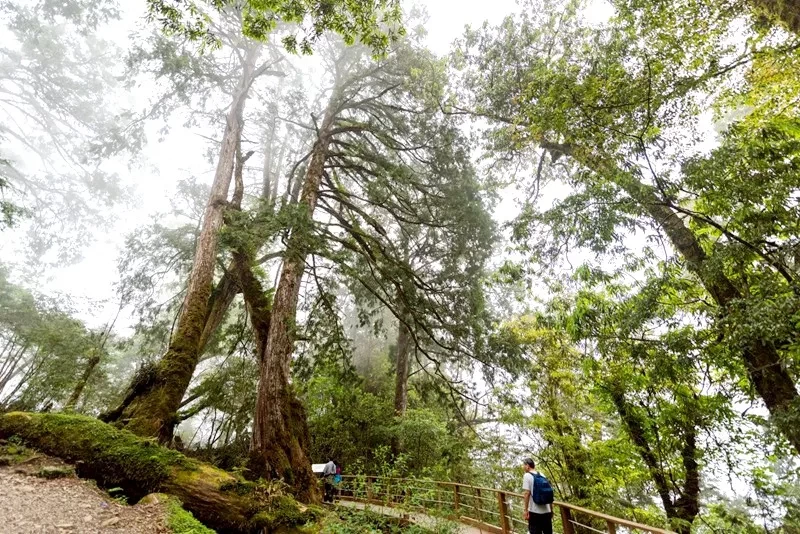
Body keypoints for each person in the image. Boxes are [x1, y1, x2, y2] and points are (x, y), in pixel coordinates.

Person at [522, 458, 553, 534]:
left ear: (527, 466)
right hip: (547, 511)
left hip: (535, 512)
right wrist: (551, 510)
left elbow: (527, 493)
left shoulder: (527, 475)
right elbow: (549, 493)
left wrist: (525, 510)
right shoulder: (542, 475)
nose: (523, 467)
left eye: (523, 465)